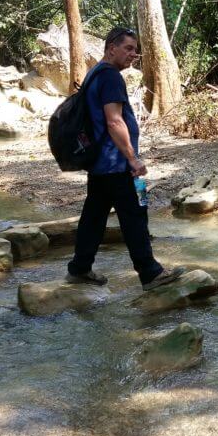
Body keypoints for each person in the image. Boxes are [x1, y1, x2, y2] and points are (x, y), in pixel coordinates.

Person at [66, 26, 184, 290]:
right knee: (136, 214)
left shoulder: (94, 73)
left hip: (99, 164)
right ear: (111, 48)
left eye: (135, 50)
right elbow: (114, 121)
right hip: (118, 163)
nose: (133, 54)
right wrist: (133, 159)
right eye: (128, 48)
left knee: (94, 217)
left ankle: (79, 268)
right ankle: (150, 273)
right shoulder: (110, 77)